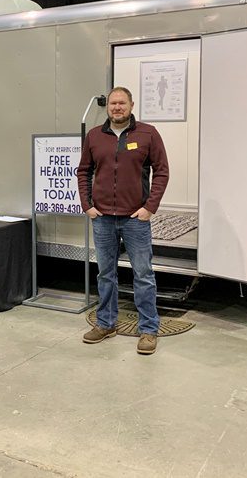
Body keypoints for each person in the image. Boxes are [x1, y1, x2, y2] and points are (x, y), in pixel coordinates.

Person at [77, 87, 169, 355]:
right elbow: (83, 171)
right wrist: (88, 206)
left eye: (122, 103)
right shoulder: (95, 136)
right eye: (113, 103)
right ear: (108, 107)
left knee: (143, 274)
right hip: (103, 218)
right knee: (106, 274)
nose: (117, 107)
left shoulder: (147, 134)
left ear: (131, 105)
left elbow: (162, 171)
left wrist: (149, 207)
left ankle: (149, 329)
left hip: (135, 219)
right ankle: (106, 323)